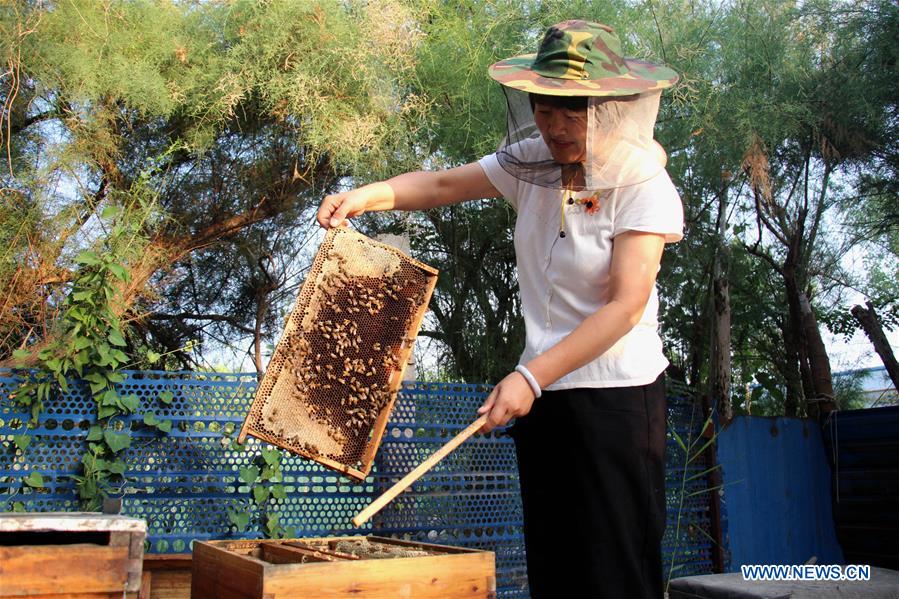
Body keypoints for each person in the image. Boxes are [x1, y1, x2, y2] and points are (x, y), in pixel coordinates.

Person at [317, 20, 682, 599]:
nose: (556, 126)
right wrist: (364, 196)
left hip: (617, 404)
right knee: (558, 568)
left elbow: (625, 305)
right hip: (545, 401)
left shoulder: (643, 184)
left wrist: (530, 377)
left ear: (610, 106)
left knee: (615, 575)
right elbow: (439, 186)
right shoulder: (532, 162)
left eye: (573, 110)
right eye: (544, 106)